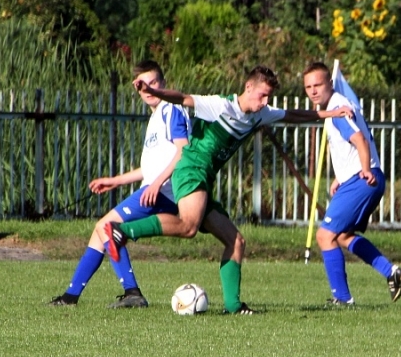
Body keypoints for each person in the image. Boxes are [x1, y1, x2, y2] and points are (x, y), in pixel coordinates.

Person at [105, 65, 352, 314]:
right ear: (248, 87)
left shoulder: (260, 113)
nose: (265, 102)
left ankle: (233, 307)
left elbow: (292, 115)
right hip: (191, 168)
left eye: (268, 97)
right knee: (189, 226)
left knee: (235, 241)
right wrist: (153, 91)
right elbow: (182, 98)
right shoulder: (221, 106)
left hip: (204, 177)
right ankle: (122, 231)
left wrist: (331, 113)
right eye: (262, 95)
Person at [49, 60, 190, 308]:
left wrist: (157, 184)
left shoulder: (171, 109)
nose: (149, 89)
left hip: (163, 193)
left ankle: (132, 292)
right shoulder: (157, 115)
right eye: (143, 85)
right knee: (100, 231)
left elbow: (184, 151)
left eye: (154, 82)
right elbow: (150, 169)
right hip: (155, 189)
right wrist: (114, 181)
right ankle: (70, 297)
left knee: (107, 227)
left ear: (164, 83)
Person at [302, 62, 401, 305]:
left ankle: (342, 299)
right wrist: (340, 177)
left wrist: (365, 169)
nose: (313, 91)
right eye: (308, 87)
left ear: (330, 83)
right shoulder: (337, 106)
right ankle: (391, 272)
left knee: (324, 236)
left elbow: (360, 140)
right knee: (342, 236)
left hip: (361, 179)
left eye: (318, 85)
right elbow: (353, 145)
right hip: (360, 178)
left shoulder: (337, 108)